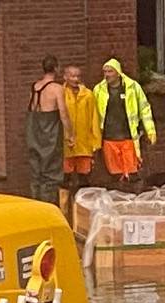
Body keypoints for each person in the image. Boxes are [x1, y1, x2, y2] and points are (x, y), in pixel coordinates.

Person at [95, 58, 156, 191]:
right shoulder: (99, 90)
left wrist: (150, 130)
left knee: (132, 171)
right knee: (114, 174)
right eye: (105, 72)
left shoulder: (132, 87)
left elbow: (145, 109)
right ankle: (119, 196)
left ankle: (133, 195)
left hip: (128, 136)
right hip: (109, 138)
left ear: (118, 72)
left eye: (110, 71)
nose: (107, 75)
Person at [26, 56, 68, 205]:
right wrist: (70, 134)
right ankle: (49, 205)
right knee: (51, 171)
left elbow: (31, 109)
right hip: (50, 132)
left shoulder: (34, 87)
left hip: (34, 132)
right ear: (56, 68)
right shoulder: (57, 89)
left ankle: (35, 204)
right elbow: (63, 113)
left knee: (36, 171)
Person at [60, 63, 102, 201]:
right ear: (65, 77)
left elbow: (94, 118)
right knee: (65, 180)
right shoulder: (61, 94)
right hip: (66, 145)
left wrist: (96, 142)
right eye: (72, 76)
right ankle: (64, 207)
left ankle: (82, 206)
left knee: (84, 180)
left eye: (78, 76)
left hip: (84, 144)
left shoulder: (88, 95)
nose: (75, 79)